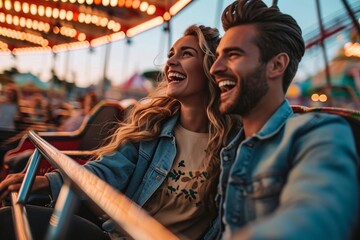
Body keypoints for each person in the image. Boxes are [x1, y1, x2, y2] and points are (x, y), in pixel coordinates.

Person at [0, 24, 236, 240]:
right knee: (9, 218)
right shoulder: (152, 126)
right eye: (171, 54)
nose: (171, 61)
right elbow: (106, 171)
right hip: (121, 236)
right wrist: (46, 182)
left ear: (212, 68)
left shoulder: (235, 144)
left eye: (186, 54)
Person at [205, 0, 359, 239]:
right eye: (217, 57)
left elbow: (317, 217)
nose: (215, 68)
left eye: (233, 55)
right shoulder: (230, 143)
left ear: (276, 65)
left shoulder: (319, 133)